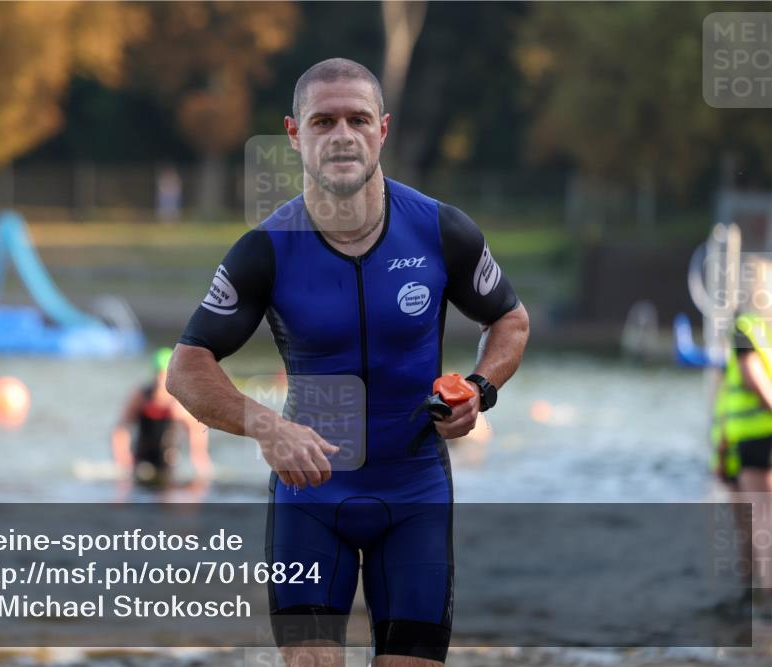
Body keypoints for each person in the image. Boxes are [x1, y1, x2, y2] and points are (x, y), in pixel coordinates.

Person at [166, 58, 529, 667]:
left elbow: (510, 320)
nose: (342, 135)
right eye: (323, 120)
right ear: (294, 133)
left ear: (382, 130)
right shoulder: (265, 250)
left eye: (358, 119)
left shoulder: (441, 230)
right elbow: (186, 368)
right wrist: (267, 426)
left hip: (414, 492)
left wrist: (477, 388)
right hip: (312, 498)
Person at [711, 267, 772, 610]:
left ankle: (762, 605)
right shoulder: (762, 329)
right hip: (743, 441)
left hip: (756, 438)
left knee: (761, 521)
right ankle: (751, 602)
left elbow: (754, 379)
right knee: (754, 524)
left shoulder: (746, 329)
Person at [111, 347, 211, 488]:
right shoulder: (142, 395)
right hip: (141, 457)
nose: (160, 380)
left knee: (169, 491)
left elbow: (196, 428)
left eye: (165, 375)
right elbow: (121, 428)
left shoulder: (179, 400)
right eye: (158, 374)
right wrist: (122, 457)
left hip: (169, 459)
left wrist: (199, 456)